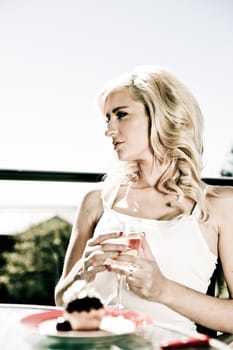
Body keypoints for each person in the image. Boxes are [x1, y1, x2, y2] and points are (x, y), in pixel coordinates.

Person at [55, 65, 233, 334]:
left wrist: (163, 289)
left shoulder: (220, 206)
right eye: (107, 119)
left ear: (164, 116)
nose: (109, 130)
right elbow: (62, 298)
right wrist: (83, 272)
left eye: (121, 115)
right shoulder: (96, 202)